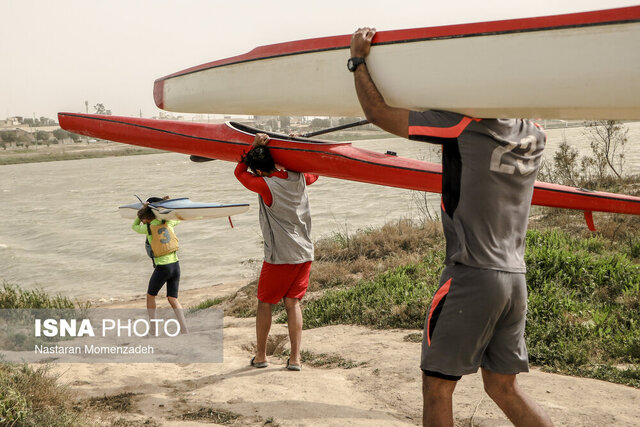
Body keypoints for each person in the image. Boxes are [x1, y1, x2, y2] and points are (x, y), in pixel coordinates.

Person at [348, 27, 553, 426]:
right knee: (503, 387)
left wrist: (358, 61)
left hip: (472, 276)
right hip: (515, 278)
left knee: (437, 387)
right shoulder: (535, 133)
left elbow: (377, 114)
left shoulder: (463, 124)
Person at [235, 133, 318, 371]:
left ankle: (260, 356)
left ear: (259, 171)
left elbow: (239, 174)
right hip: (305, 252)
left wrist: (252, 147)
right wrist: (298, 145)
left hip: (281, 257)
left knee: (264, 303)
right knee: (292, 303)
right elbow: (315, 171)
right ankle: (295, 359)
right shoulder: (298, 177)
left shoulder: (265, 185)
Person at [132, 197, 188, 334]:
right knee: (173, 298)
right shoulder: (169, 223)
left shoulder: (149, 228)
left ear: (146, 218)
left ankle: (153, 329)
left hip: (163, 267)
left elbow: (134, 226)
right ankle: (184, 330)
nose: (143, 222)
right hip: (175, 265)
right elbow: (177, 218)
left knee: (150, 296)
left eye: (144, 219)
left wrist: (141, 214)